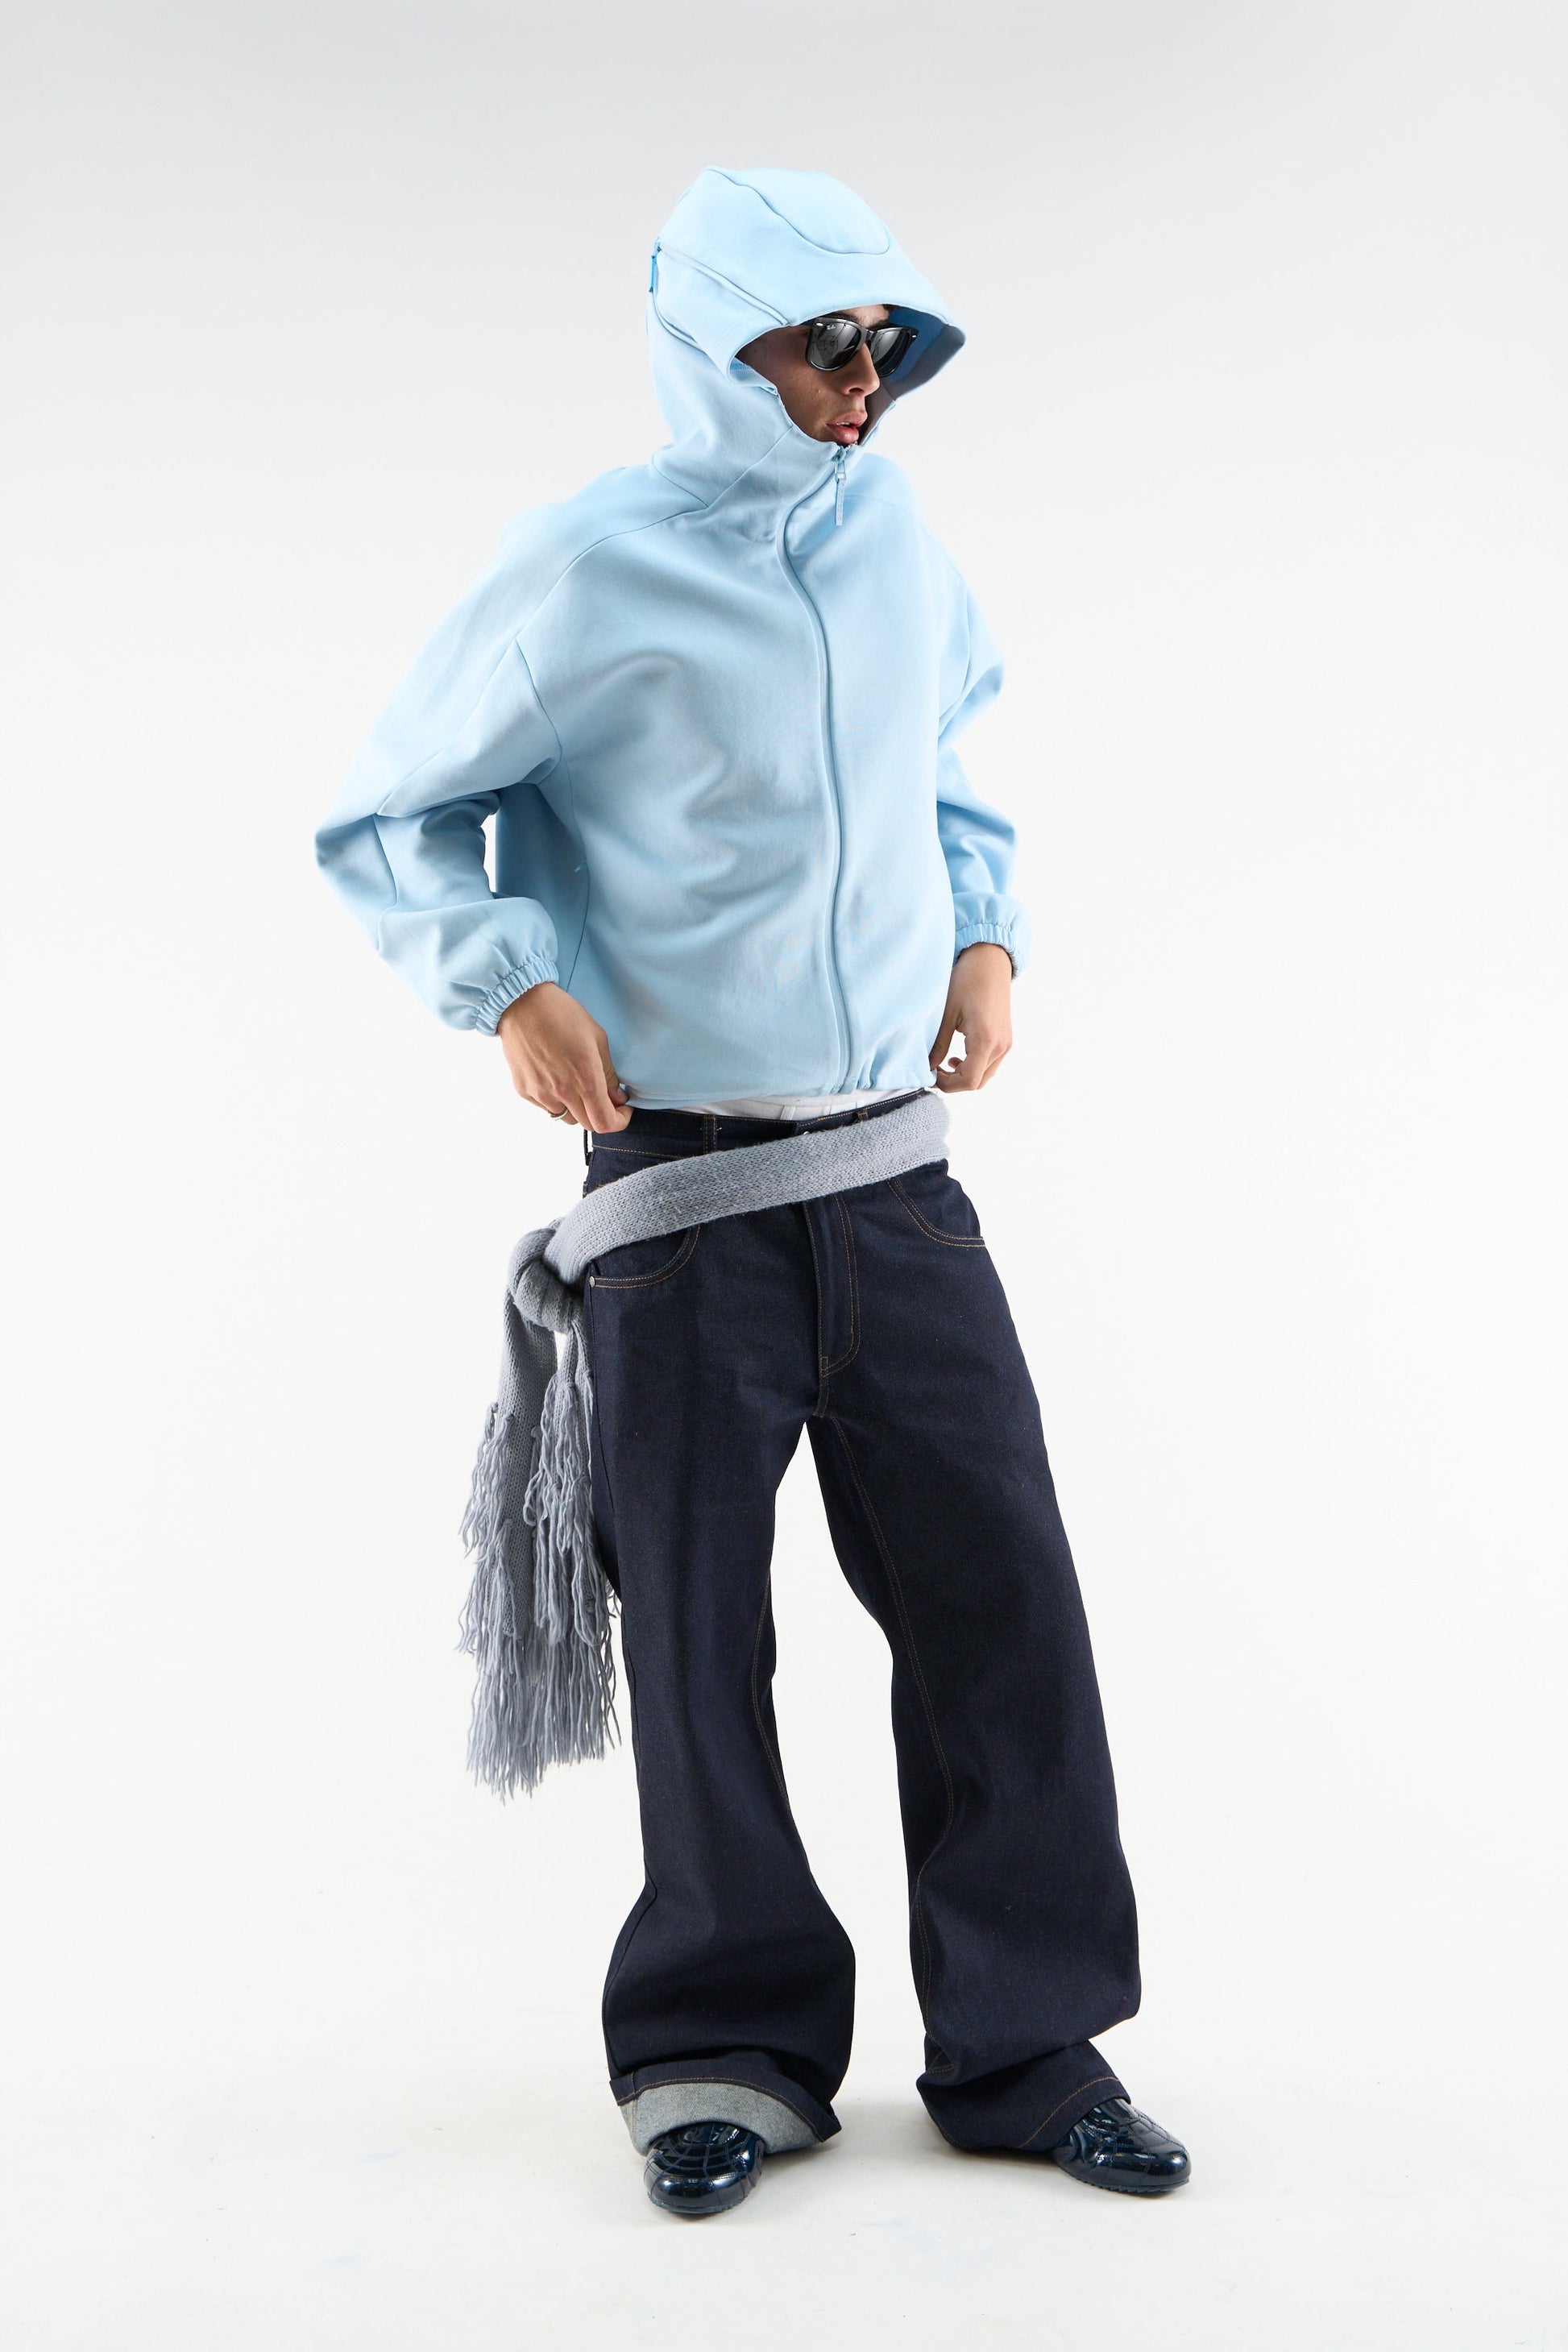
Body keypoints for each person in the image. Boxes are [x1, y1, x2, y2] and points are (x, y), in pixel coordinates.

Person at [317, 166, 1189, 2217]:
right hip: (683, 1197)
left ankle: (1028, 2036)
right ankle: (720, 2046)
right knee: (699, 1632)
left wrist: (984, 932)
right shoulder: (584, 568)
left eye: (879, 342)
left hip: (894, 1182)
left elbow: (945, 762)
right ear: (718, 350)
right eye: (818, 343)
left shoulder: (897, 546)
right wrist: (512, 981)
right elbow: (393, 815)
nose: (859, 382)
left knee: (999, 1597)